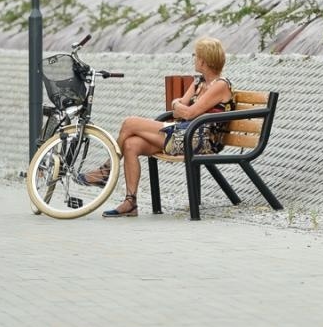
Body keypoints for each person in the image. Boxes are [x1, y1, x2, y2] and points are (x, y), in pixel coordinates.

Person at [88, 37, 234, 217]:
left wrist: (179, 106)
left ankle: (107, 170)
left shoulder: (220, 85)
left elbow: (187, 113)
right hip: (185, 133)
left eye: (196, 56)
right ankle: (130, 203)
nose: (194, 59)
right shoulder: (198, 82)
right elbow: (178, 111)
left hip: (199, 140)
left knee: (129, 123)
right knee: (131, 144)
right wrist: (179, 106)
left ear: (203, 61)